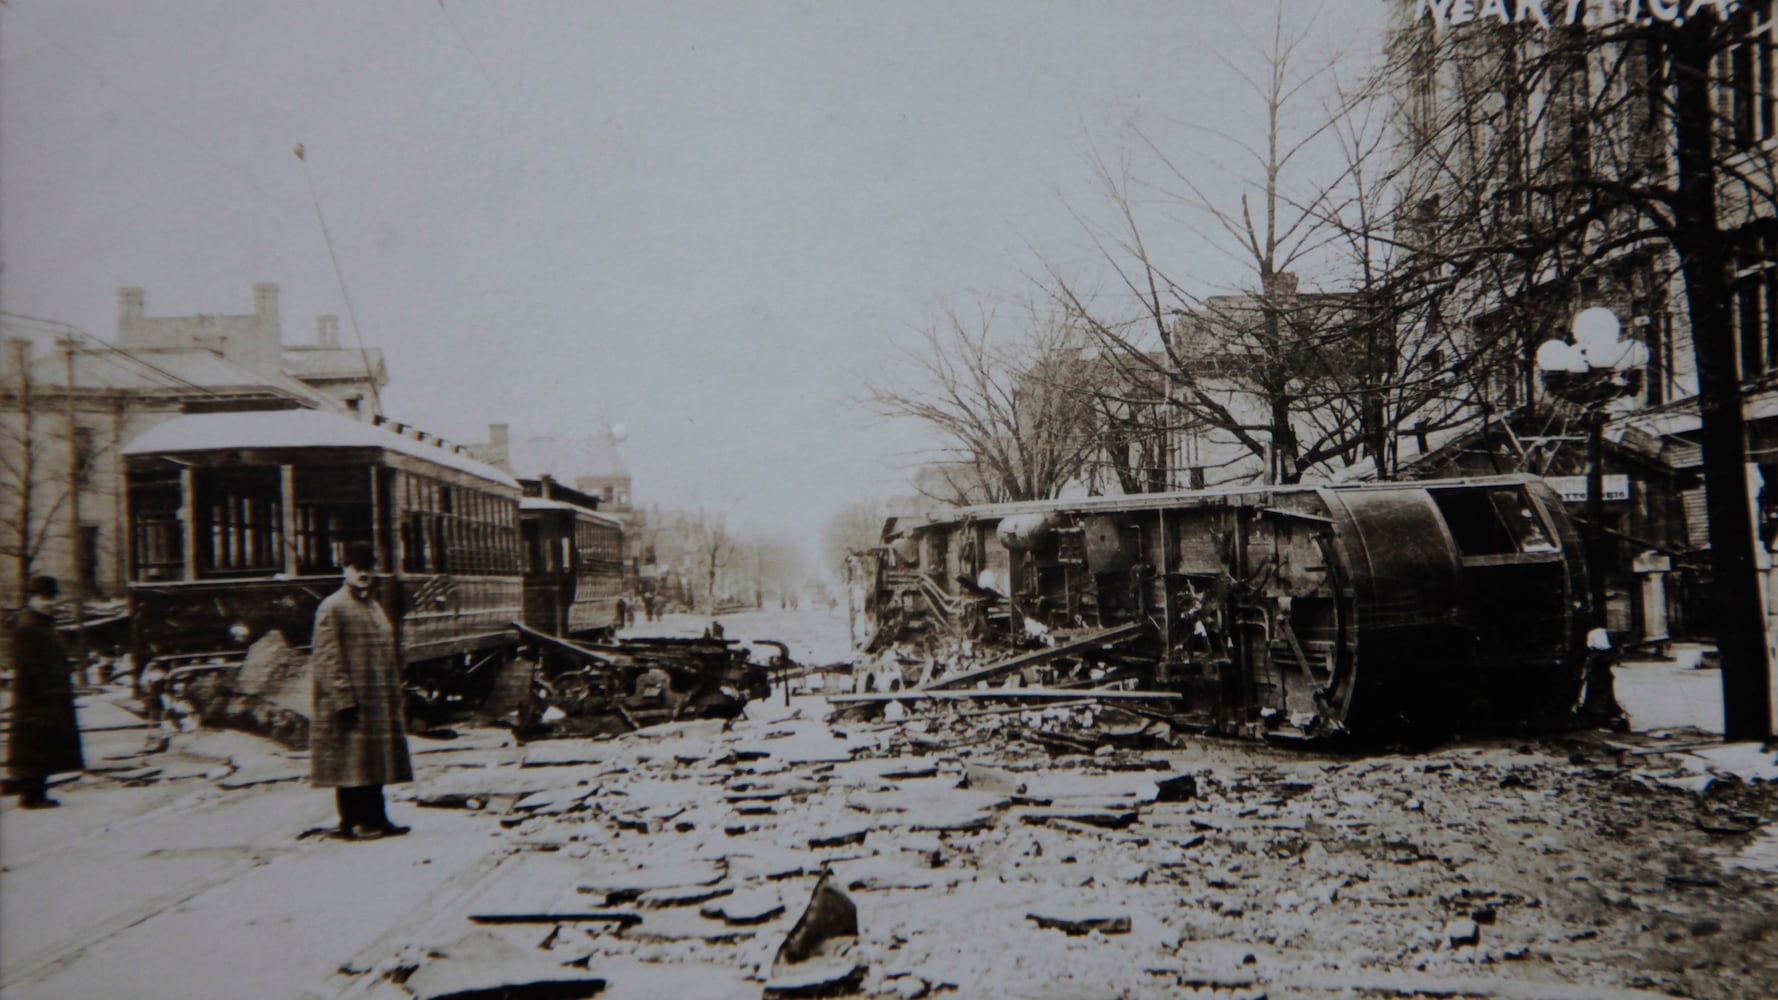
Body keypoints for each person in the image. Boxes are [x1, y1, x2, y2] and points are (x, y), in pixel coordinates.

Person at [309, 542, 412, 840]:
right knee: (351, 765)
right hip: (349, 701)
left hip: (374, 699)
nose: (363, 574)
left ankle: (377, 818)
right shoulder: (333, 607)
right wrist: (343, 698)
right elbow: (328, 658)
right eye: (356, 568)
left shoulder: (370, 604)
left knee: (371, 762)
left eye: (368, 568)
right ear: (344, 570)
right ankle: (354, 822)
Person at [7, 576, 84, 809]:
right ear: (32, 599)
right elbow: (28, 667)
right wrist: (39, 696)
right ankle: (31, 795)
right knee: (34, 746)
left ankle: (35, 791)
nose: (49, 602)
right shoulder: (29, 626)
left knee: (42, 745)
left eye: (51, 597)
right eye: (43, 598)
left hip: (47, 696)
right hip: (37, 698)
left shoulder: (41, 623)